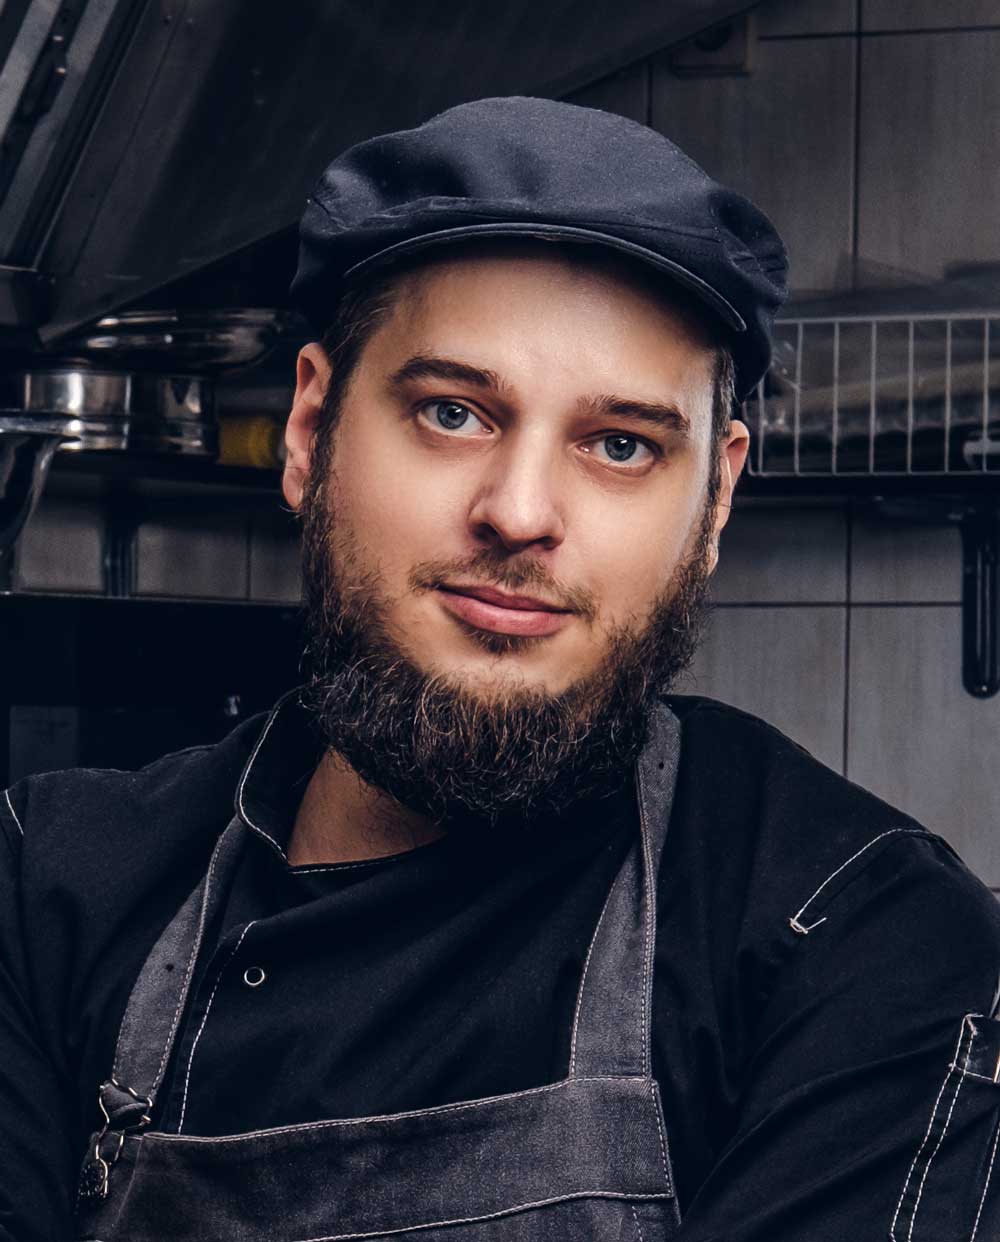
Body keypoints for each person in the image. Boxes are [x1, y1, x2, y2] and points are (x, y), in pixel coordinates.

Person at [2, 96, 999, 1242]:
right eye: (452, 412)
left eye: (619, 445)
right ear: (309, 430)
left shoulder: (846, 932)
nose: (520, 513)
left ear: (714, 498)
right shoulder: (49, 890)